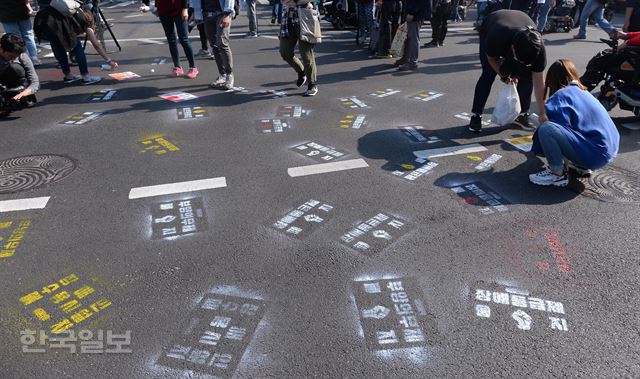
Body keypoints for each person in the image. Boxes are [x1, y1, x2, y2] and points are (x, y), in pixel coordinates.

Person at [529, 59, 619, 187]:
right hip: (609, 151)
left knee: (546, 129)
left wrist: (538, 145)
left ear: (552, 80)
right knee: (566, 129)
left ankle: (557, 174)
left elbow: (553, 129)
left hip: (595, 154)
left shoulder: (561, 95)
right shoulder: (584, 92)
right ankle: (581, 165)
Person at [468, 9, 547, 133]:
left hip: (519, 24)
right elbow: (492, 59)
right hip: (493, 23)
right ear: (513, 48)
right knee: (488, 74)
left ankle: (522, 115)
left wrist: (542, 113)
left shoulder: (537, 47)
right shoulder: (497, 37)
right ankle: (476, 115)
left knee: (527, 77)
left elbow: (539, 82)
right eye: (519, 59)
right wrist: (504, 75)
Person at [34, 4, 102, 84]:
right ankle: (86, 76)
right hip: (61, 20)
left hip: (47, 19)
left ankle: (68, 75)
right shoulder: (80, 14)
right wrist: (108, 60)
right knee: (77, 47)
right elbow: (96, 44)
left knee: (58, 46)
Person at [279, 0, 318, 96]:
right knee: (285, 52)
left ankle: (312, 84)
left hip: (305, 16)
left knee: (306, 54)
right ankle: (301, 72)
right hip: (288, 17)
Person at [195, 0, 236, 89]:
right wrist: (194, 12)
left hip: (221, 13)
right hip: (206, 14)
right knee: (214, 45)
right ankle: (222, 74)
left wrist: (228, 13)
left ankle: (229, 75)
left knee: (222, 44)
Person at [153, 0, 199, 78]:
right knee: (171, 40)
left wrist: (185, 8)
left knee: (183, 39)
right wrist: (156, 6)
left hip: (179, 9)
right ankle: (177, 67)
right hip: (163, 10)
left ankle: (193, 67)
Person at [0, 33, 39, 116]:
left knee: (15, 67)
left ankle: (17, 96)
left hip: (16, 85)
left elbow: (35, 82)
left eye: (15, 56)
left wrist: (24, 93)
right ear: (2, 49)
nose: (13, 58)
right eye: (10, 56)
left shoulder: (22, 56)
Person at [0, 0, 41, 66]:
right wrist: (29, 8)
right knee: (28, 35)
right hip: (22, 11)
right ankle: (34, 57)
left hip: (6, 14)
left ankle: (25, 59)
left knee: (15, 39)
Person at [394, 0, 430, 70]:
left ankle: (413, 62)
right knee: (408, 37)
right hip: (413, 11)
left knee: (413, 38)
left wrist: (411, 12)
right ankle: (406, 58)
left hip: (416, 13)